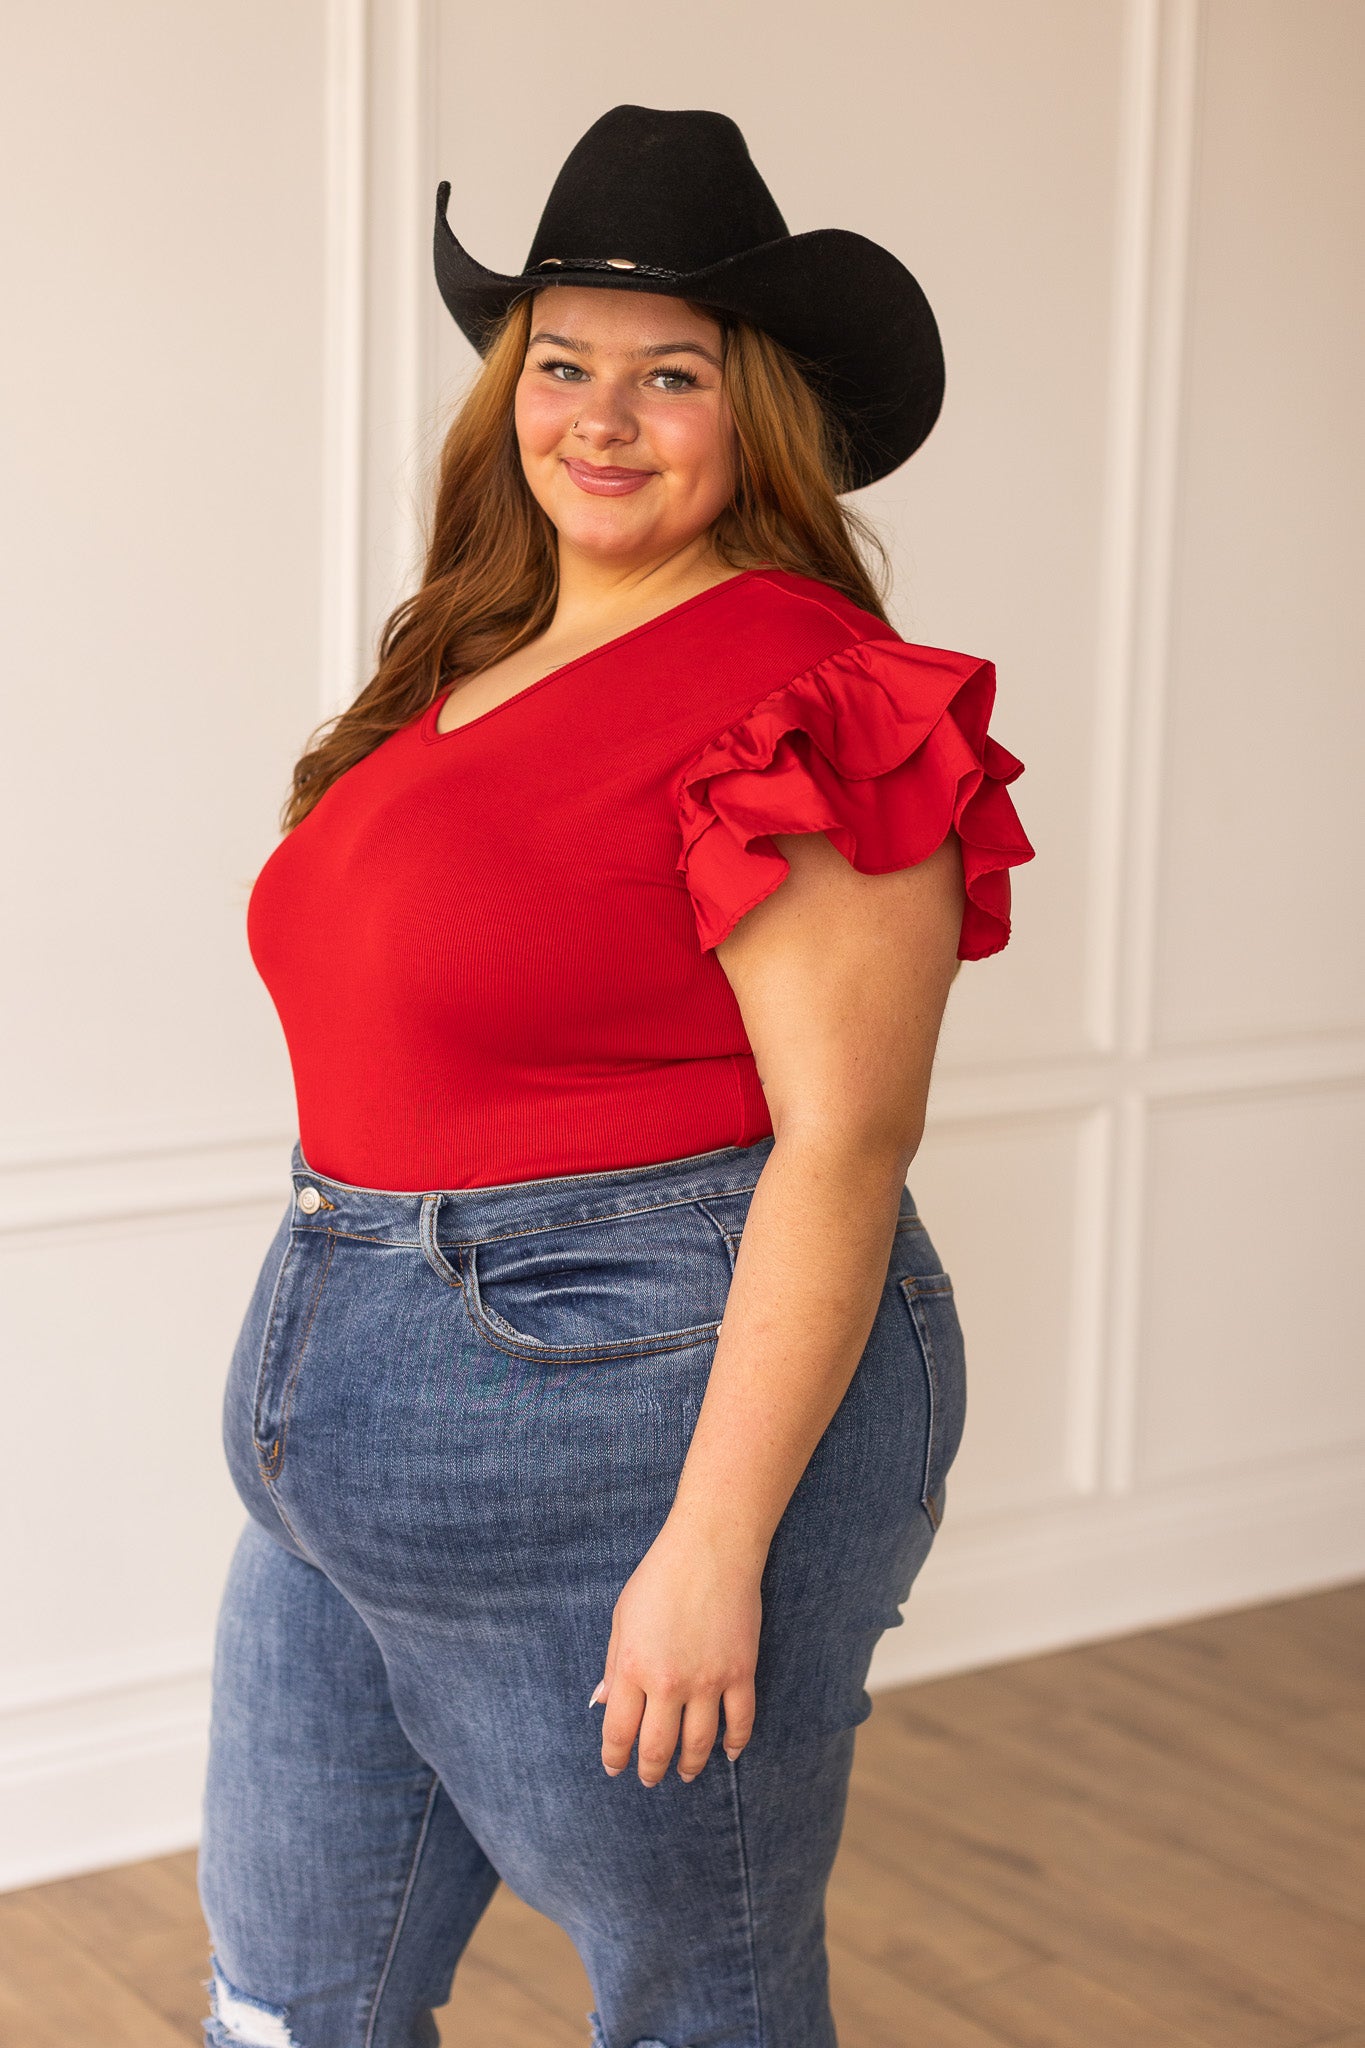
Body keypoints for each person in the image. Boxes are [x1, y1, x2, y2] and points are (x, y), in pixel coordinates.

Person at [197, 104, 1034, 2048]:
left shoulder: (802, 686)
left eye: (670, 375)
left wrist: (710, 1553)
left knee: (693, 1998)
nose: (600, 412)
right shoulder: (462, 663)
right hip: (344, 1408)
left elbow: (843, 1141)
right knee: (288, 1994)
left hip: (634, 1405)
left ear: (759, 416)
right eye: (559, 363)